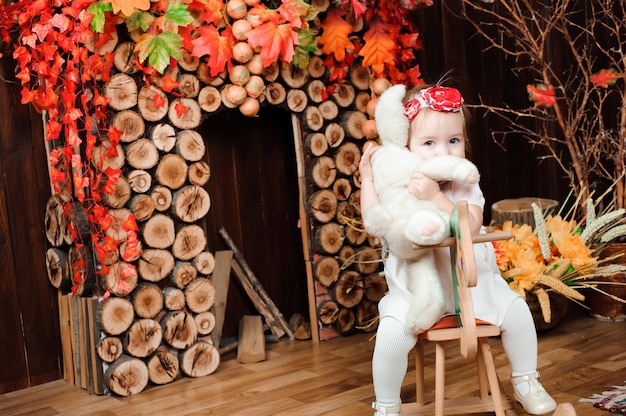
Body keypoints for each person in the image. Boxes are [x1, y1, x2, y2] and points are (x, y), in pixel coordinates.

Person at [359, 83, 558, 416]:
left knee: (518, 314)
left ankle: (525, 380)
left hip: (474, 287)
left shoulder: (465, 181)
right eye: (429, 144)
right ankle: (387, 405)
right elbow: (373, 219)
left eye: (454, 141)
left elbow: (473, 222)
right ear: (407, 147)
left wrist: (436, 199)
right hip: (416, 290)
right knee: (392, 334)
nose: (444, 153)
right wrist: (367, 179)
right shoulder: (398, 185)